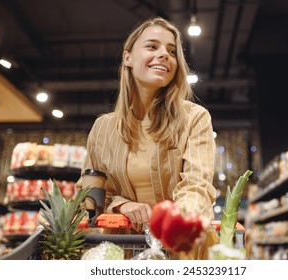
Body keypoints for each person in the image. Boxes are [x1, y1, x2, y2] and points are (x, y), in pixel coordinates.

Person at [77, 17, 218, 259]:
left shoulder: (194, 118)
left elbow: (197, 188)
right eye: (152, 46)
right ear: (127, 58)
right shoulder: (102, 128)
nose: (164, 54)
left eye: (172, 51)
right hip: (122, 252)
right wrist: (122, 205)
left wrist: (173, 226)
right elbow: (90, 197)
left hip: (180, 252)